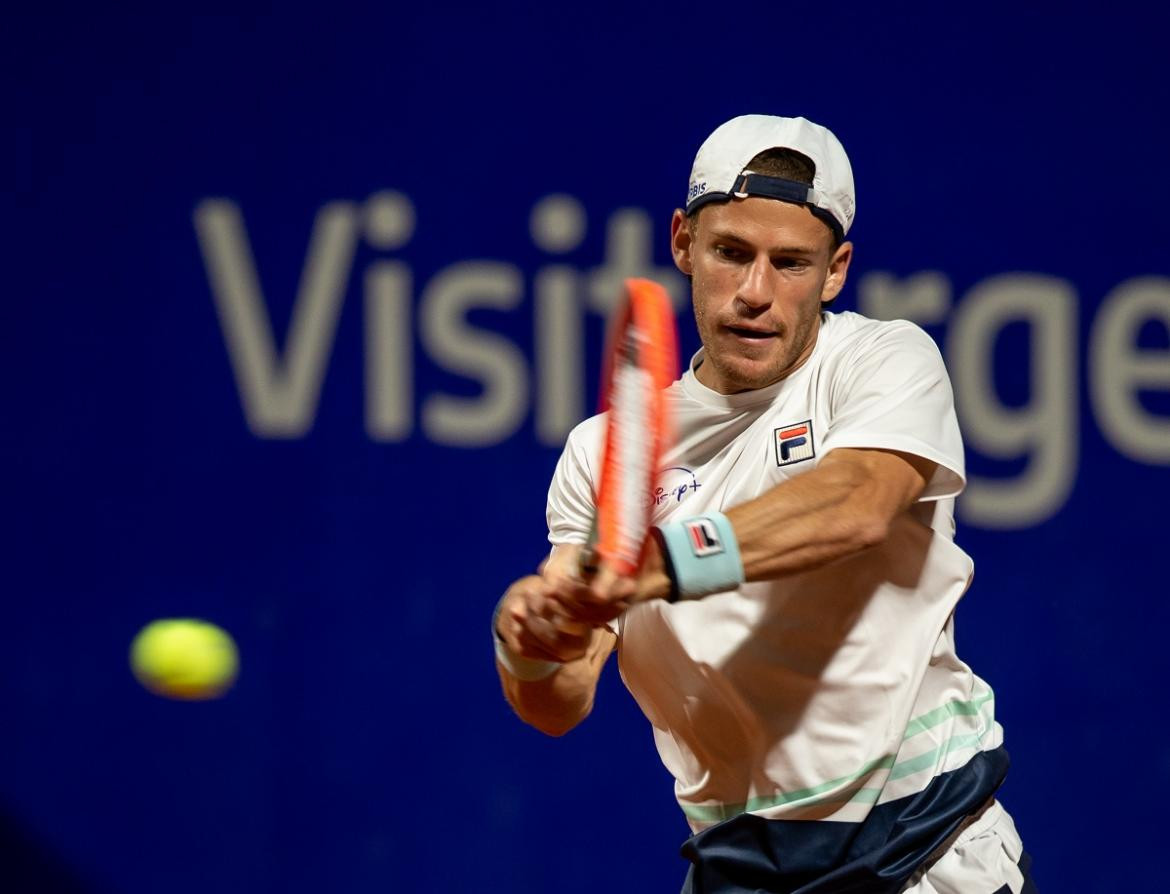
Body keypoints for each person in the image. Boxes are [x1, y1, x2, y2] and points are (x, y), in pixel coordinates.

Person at [493, 115, 1036, 893]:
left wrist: (661, 563)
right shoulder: (599, 453)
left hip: (926, 847)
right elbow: (559, 701)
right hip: (742, 866)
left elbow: (856, 504)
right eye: (731, 253)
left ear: (836, 269)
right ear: (683, 243)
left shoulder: (883, 363)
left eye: (790, 264)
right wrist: (532, 640)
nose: (756, 292)